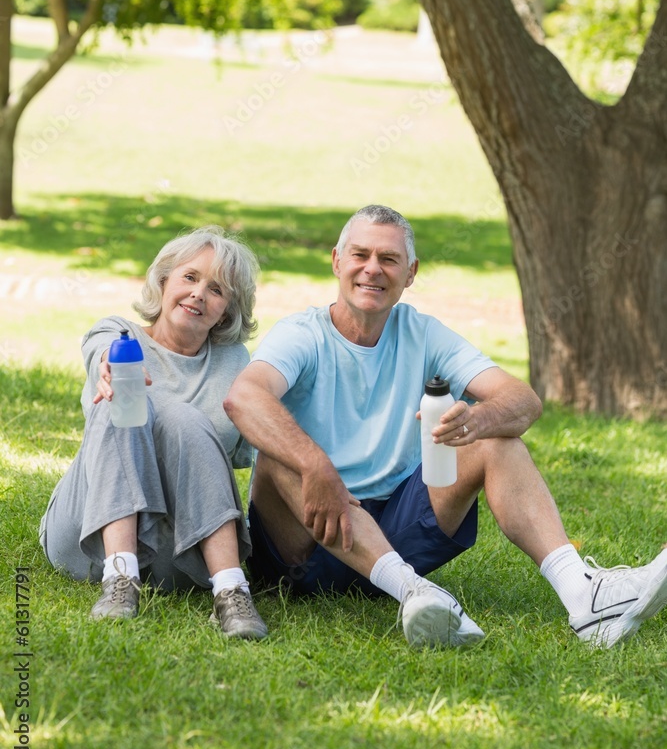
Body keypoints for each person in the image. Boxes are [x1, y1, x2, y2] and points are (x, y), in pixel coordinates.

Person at [223, 204, 667, 648]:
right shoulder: (303, 333)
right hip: (304, 543)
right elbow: (244, 396)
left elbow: (524, 401)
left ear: (411, 272)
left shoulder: (422, 332)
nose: (372, 269)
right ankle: (414, 591)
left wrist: (478, 418)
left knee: (499, 443)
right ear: (337, 261)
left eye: (389, 259)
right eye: (360, 255)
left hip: (396, 530)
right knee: (281, 457)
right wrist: (315, 464)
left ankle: (581, 594)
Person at [40, 226, 267, 640]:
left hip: (176, 553)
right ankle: (119, 577)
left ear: (228, 310)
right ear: (163, 281)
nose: (199, 294)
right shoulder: (118, 334)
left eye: (217, 289)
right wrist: (112, 366)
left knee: (185, 421)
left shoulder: (234, 363)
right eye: (190, 277)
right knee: (126, 401)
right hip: (85, 535)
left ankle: (231, 590)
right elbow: (100, 351)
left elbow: (247, 456)